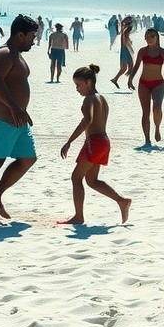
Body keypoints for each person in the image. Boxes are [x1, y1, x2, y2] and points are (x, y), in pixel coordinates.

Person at [0, 14, 39, 224]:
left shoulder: (16, 55)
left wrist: (22, 109)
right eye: (32, 35)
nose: (34, 39)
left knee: (27, 159)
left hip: (17, 119)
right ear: (20, 34)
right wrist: (15, 106)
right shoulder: (4, 54)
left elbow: (14, 84)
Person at [59, 64, 131, 225]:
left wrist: (69, 142)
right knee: (92, 180)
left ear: (88, 82)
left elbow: (87, 120)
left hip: (95, 142)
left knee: (76, 177)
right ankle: (122, 201)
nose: (77, 89)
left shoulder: (89, 99)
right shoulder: (101, 98)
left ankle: (79, 216)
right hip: (104, 141)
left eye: (78, 85)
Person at [127, 28, 164, 146]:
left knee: (157, 107)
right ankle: (147, 139)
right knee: (145, 112)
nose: (149, 39)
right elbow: (136, 66)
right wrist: (130, 78)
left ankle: (157, 127)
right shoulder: (142, 51)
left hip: (158, 83)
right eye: (147, 37)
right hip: (144, 84)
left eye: (151, 36)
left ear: (156, 37)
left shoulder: (163, 52)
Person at [111, 16, 135, 88]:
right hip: (125, 49)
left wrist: (129, 42)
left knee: (125, 67)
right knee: (130, 66)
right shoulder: (128, 28)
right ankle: (129, 82)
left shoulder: (124, 28)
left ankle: (115, 79)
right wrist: (129, 46)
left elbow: (124, 36)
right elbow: (125, 37)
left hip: (123, 49)